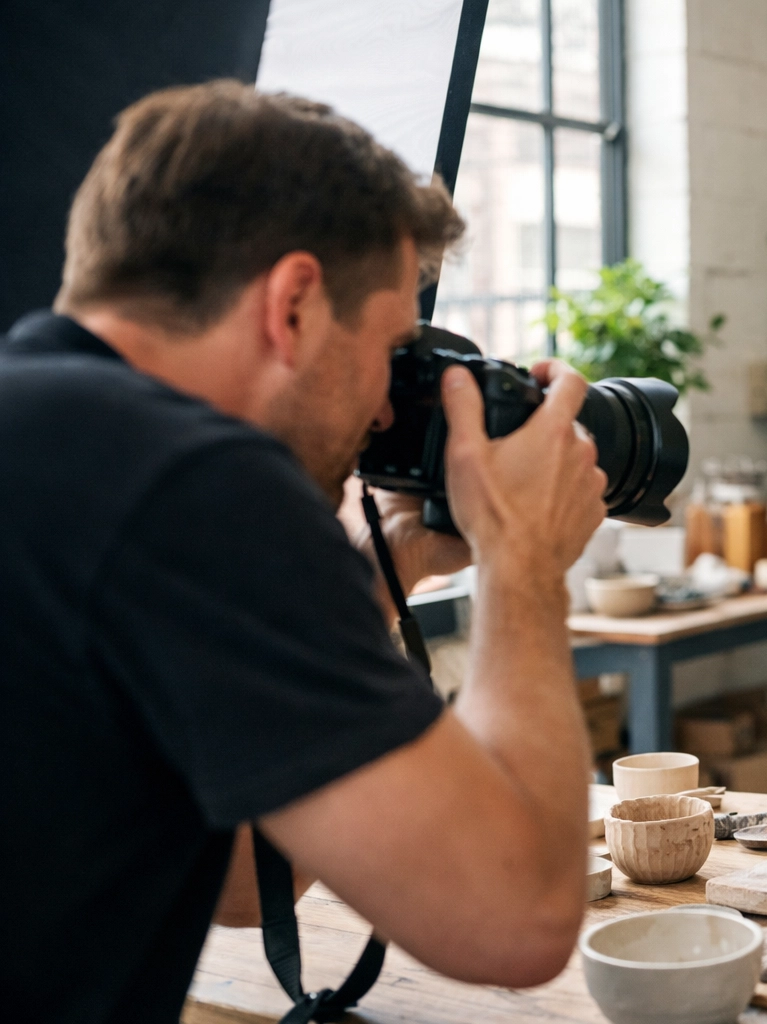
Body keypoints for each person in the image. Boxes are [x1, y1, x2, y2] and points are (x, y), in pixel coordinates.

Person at [1, 82, 609, 1021]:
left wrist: (382, 567)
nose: (381, 411)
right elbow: (516, 921)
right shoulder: (194, 482)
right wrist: (521, 561)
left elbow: (249, 877)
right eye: (390, 352)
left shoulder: (61, 442)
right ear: (292, 305)